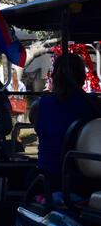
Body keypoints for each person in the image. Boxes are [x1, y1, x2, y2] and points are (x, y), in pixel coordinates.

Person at [29, 53, 101, 190]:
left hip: (49, 178)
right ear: (83, 77)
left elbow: (38, 126)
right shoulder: (93, 104)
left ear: (54, 77)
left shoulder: (41, 105)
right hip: (84, 180)